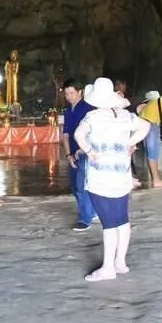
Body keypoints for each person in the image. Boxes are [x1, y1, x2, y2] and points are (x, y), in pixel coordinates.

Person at [74, 77, 151, 282]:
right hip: (121, 177)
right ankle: (120, 262)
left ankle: (108, 268)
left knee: (109, 224)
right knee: (122, 220)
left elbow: (78, 135)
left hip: (101, 178)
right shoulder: (126, 116)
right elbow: (145, 127)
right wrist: (130, 142)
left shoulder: (92, 117)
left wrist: (89, 151)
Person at [62, 78, 96, 232]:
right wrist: (68, 154)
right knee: (75, 186)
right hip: (73, 153)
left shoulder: (89, 109)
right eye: (66, 93)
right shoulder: (68, 110)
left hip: (86, 152)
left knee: (82, 186)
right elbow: (66, 135)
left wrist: (84, 149)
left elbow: (94, 132)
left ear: (80, 92)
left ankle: (85, 219)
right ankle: (92, 212)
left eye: (72, 93)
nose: (69, 96)